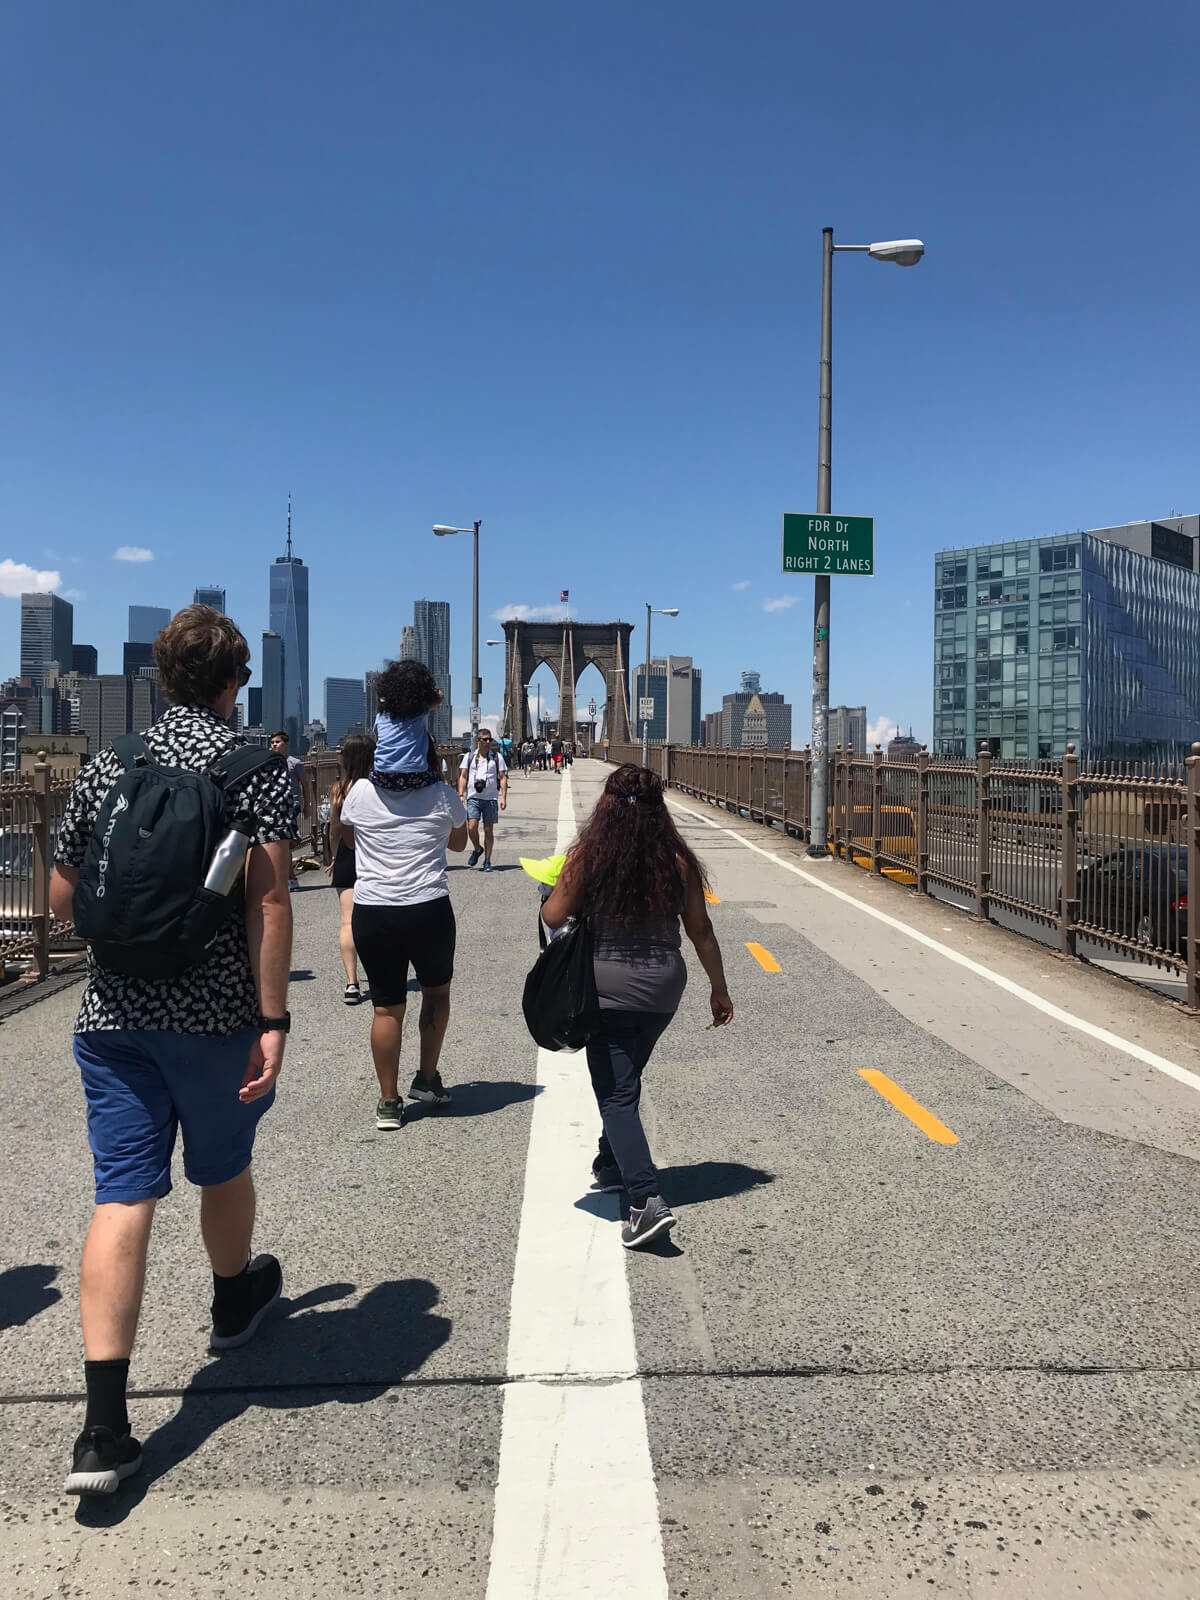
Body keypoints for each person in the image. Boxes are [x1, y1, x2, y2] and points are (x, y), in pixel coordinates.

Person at [50, 606, 296, 1496]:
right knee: (221, 1169)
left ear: (161, 678)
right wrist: (274, 1019)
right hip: (216, 1018)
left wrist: (132, 946)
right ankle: (234, 1301)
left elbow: (59, 895)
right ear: (236, 682)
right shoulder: (254, 769)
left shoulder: (111, 764)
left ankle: (104, 1432)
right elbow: (268, 903)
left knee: (121, 1194)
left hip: (111, 1017)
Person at [541, 763, 733, 1249]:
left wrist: (550, 890)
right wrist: (719, 988)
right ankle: (610, 1159)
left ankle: (645, 1202)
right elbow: (701, 931)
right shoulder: (678, 862)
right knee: (625, 1076)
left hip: (606, 989)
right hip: (662, 991)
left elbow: (553, 915)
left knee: (616, 1093)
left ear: (607, 806)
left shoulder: (589, 856)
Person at [340, 735, 468, 1127]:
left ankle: (388, 1102)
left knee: (385, 1006)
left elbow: (347, 838)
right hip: (428, 908)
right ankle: (427, 1079)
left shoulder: (360, 790)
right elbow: (460, 845)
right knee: (435, 994)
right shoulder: (444, 794)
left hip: (374, 911)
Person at [324, 733, 375, 1003]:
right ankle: (379, 976)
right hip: (375, 856)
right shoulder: (378, 787)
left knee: (347, 921)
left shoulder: (339, 789)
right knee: (375, 919)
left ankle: (352, 984)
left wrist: (334, 857)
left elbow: (334, 829)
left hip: (347, 854)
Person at [371, 661, 444, 791]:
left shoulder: (381, 716)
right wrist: (427, 691)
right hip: (414, 774)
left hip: (381, 775)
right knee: (437, 782)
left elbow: (378, 740)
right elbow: (439, 696)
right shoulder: (418, 711)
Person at [269, 730, 315, 891]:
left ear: (286, 744)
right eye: (272, 742)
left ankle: (289, 878)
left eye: (277, 742)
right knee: (280, 842)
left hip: (291, 805)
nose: (274, 744)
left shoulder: (295, 763)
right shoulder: (269, 762)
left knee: (284, 842)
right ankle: (288, 878)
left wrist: (307, 805)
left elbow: (305, 784)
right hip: (274, 805)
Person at [459, 729, 508, 871]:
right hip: (473, 796)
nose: (488, 742)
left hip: (490, 798)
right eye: (484, 739)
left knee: (488, 830)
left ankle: (487, 861)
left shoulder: (497, 757)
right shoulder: (468, 757)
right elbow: (463, 776)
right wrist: (461, 794)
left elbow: (503, 778)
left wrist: (503, 797)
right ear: (478, 741)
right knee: (471, 827)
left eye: (489, 739)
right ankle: (477, 848)